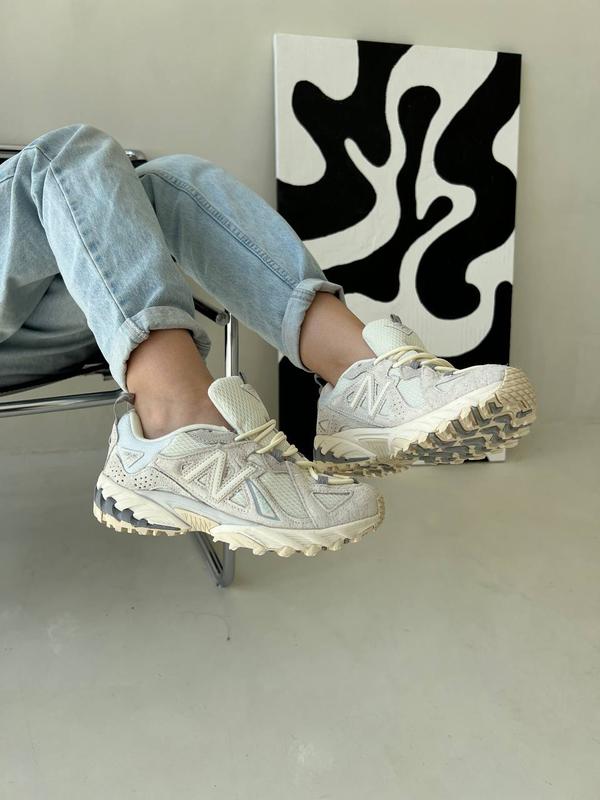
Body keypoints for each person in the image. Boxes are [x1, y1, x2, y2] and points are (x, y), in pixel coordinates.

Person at [0, 124, 536, 558]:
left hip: (55, 326)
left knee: (169, 179)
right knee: (67, 153)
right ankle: (172, 425)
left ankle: (358, 376)